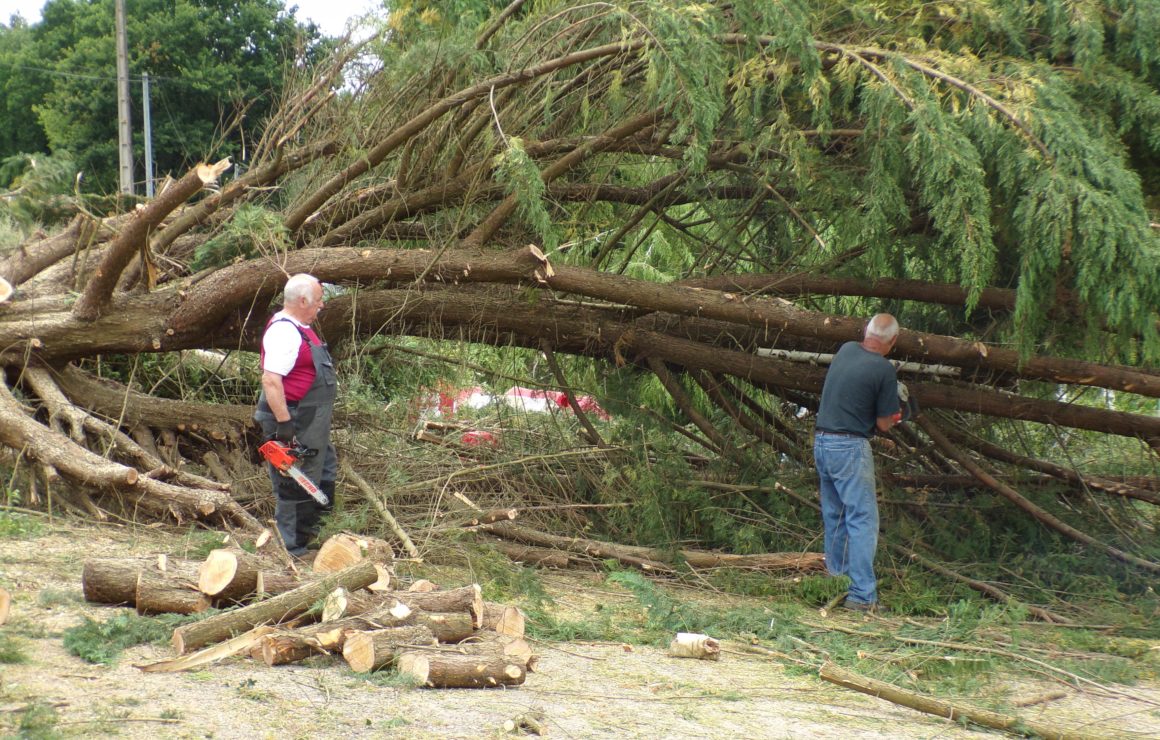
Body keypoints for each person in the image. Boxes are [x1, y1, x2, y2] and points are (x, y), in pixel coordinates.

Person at [813, 313, 910, 612]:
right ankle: (862, 596)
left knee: (835, 515)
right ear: (893, 341)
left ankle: (837, 583)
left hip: (822, 441)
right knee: (862, 519)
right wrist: (898, 412)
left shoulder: (846, 350)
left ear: (866, 331)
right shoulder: (884, 369)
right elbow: (883, 424)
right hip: (849, 447)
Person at [253, 274, 338, 557]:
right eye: (318, 300)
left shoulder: (303, 329)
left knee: (324, 470)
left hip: (312, 419)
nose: (321, 305)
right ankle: (291, 547)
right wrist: (285, 424)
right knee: (295, 479)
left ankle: (312, 536)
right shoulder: (284, 332)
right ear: (303, 301)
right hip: (293, 416)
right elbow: (271, 380)